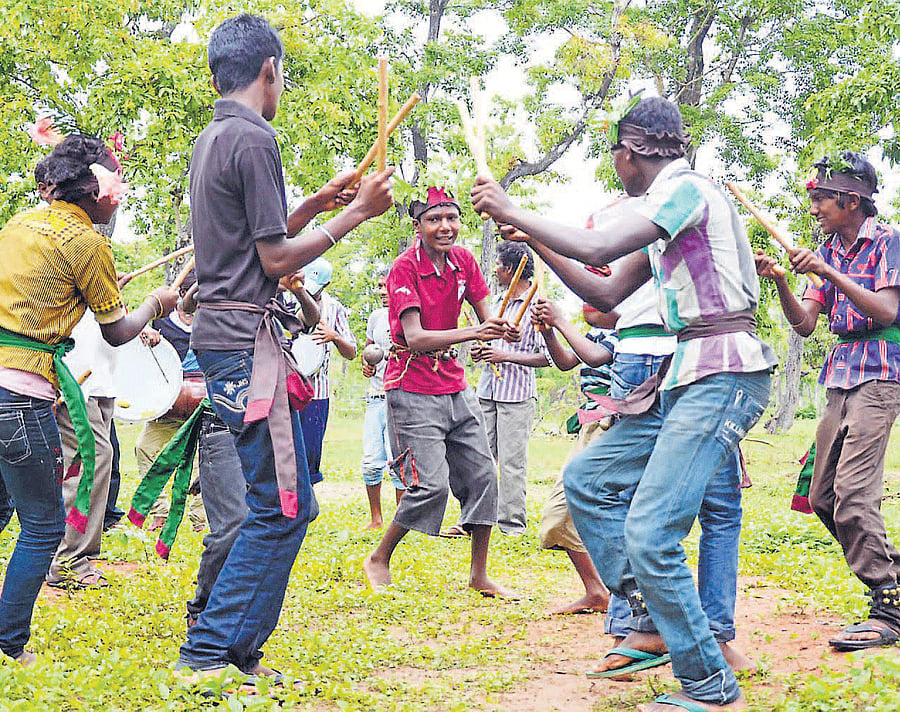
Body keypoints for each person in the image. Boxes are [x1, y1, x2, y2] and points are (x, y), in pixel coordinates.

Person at [473, 95, 776, 711]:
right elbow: (604, 287)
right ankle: (649, 615)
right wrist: (530, 234)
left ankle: (711, 686)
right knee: (586, 479)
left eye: (615, 157)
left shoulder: (685, 189)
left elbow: (598, 249)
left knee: (652, 528)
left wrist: (515, 206)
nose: (616, 168)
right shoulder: (669, 209)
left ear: (629, 152)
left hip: (723, 372)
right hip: (683, 372)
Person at [178, 13, 393, 682]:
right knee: (281, 508)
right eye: (283, 76)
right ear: (269, 70)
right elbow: (273, 260)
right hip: (246, 342)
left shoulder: (213, 137)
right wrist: (355, 215)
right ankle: (210, 652)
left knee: (282, 506)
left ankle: (235, 650)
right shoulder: (256, 138)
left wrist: (316, 205)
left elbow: (253, 239)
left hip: (225, 336)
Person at [0, 134, 178, 664]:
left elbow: (37, 299)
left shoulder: (18, 225)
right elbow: (120, 330)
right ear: (95, 191)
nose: (120, 194)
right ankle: (9, 643)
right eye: (117, 183)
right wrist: (157, 302)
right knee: (43, 525)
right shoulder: (88, 243)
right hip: (21, 394)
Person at [756, 150, 900, 652]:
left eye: (821, 198)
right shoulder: (827, 249)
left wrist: (828, 272)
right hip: (840, 375)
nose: (814, 207)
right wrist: (781, 284)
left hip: (881, 374)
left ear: (852, 199)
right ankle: (891, 576)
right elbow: (806, 323)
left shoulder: (887, 242)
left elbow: (884, 309)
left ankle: (890, 602)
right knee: (822, 497)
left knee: (855, 495)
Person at [362, 187, 513, 597]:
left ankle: (479, 575)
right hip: (410, 384)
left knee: (484, 475)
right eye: (434, 219)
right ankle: (379, 557)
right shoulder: (403, 268)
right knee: (429, 487)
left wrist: (497, 334)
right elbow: (413, 337)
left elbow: (487, 316)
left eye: (451, 218)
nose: (445, 227)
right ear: (419, 226)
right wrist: (474, 332)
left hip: (453, 382)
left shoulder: (464, 260)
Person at [533, 298, 615, 615]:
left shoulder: (629, 334)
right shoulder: (595, 335)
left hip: (613, 426)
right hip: (592, 426)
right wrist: (550, 332)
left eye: (596, 295)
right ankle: (597, 591)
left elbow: (594, 358)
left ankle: (619, 596)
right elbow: (567, 362)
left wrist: (560, 322)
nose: (586, 302)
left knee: (573, 512)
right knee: (560, 515)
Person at [470, 241, 550, 536]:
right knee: (479, 457)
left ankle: (511, 525)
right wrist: (483, 353)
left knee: (512, 463)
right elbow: (488, 344)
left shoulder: (537, 303)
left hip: (516, 396)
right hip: (487, 391)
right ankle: (477, 520)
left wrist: (506, 355)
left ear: (511, 270)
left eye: (499, 265)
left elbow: (547, 357)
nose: (495, 270)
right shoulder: (494, 303)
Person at [136, 272, 207, 531]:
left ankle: (201, 518)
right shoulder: (162, 322)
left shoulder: (213, 321)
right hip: (167, 403)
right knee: (145, 447)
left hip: (203, 405)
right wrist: (145, 330)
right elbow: (133, 331)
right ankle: (159, 511)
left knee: (208, 457)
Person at [292, 257, 357, 484]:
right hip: (286, 392)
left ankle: (305, 509)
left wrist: (335, 336)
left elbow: (351, 352)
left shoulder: (334, 308)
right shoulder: (289, 301)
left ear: (326, 286)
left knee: (309, 458)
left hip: (316, 394)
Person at [360, 268, 405, 529]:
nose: (380, 292)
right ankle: (376, 519)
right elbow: (368, 350)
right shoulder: (376, 317)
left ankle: (400, 520)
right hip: (375, 396)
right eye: (378, 286)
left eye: (385, 286)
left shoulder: (407, 316)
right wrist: (367, 365)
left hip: (400, 396)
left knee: (397, 459)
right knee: (370, 459)